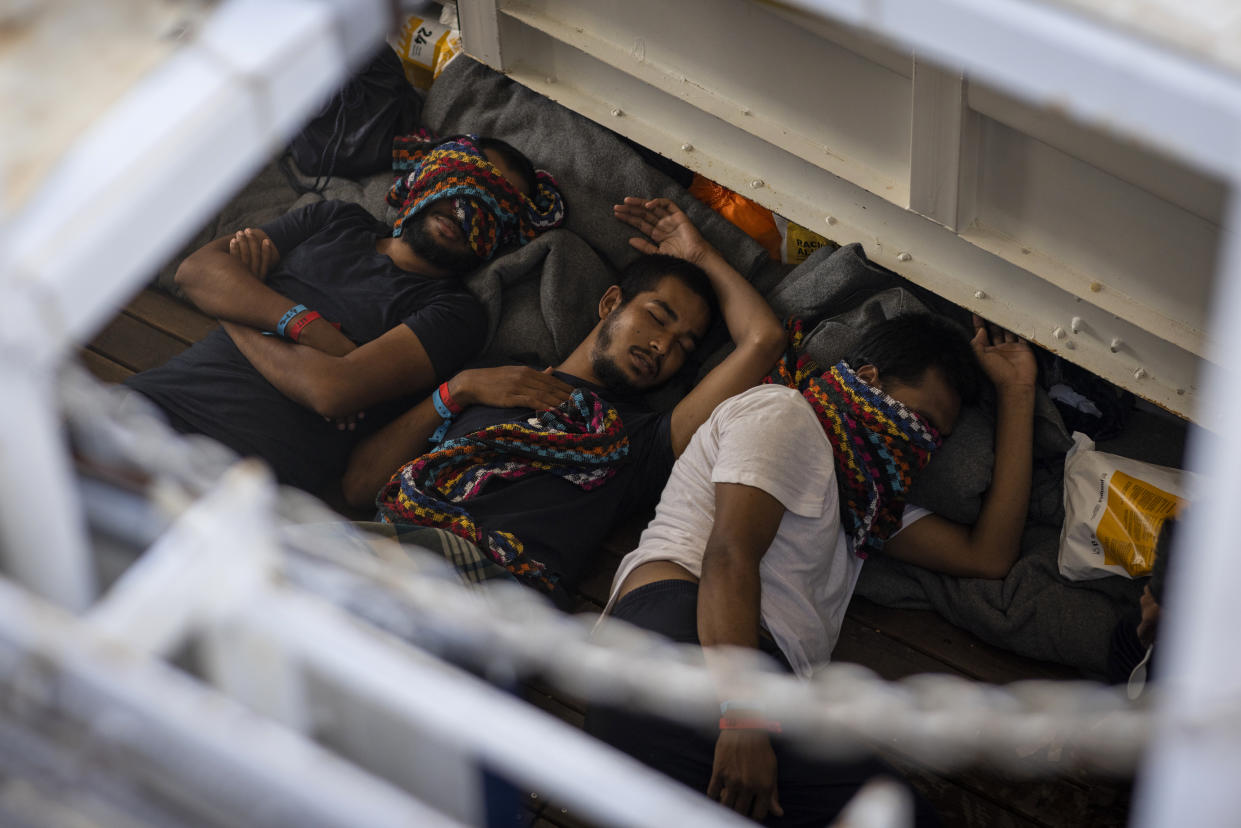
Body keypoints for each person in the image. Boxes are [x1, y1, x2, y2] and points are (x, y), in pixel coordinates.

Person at [585, 314, 1038, 825]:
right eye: (918, 417)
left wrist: (1018, 395)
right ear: (867, 381)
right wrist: (744, 720)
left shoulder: (866, 501)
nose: (920, 441)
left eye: (936, 436)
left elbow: (988, 556)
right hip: (686, 645)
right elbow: (730, 555)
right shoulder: (786, 415)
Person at [342, 197, 788, 604]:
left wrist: (698, 255)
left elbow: (762, 339)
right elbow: (358, 486)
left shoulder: (640, 440)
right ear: (611, 302)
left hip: (489, 589)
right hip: (395, 545)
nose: (662, 347)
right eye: (656, 318)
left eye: (683, 347)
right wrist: (456, 391)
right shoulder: (492, 376)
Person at [126, 134, 564, 499]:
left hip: (236, 476)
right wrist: (308, 329)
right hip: (148, 407)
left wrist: (237, 307)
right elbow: (197, 272)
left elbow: (331, 390)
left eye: (491, 207)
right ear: (431, 176)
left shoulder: (454, 314)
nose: (463, 210)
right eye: (464, 185)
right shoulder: (335, 218)